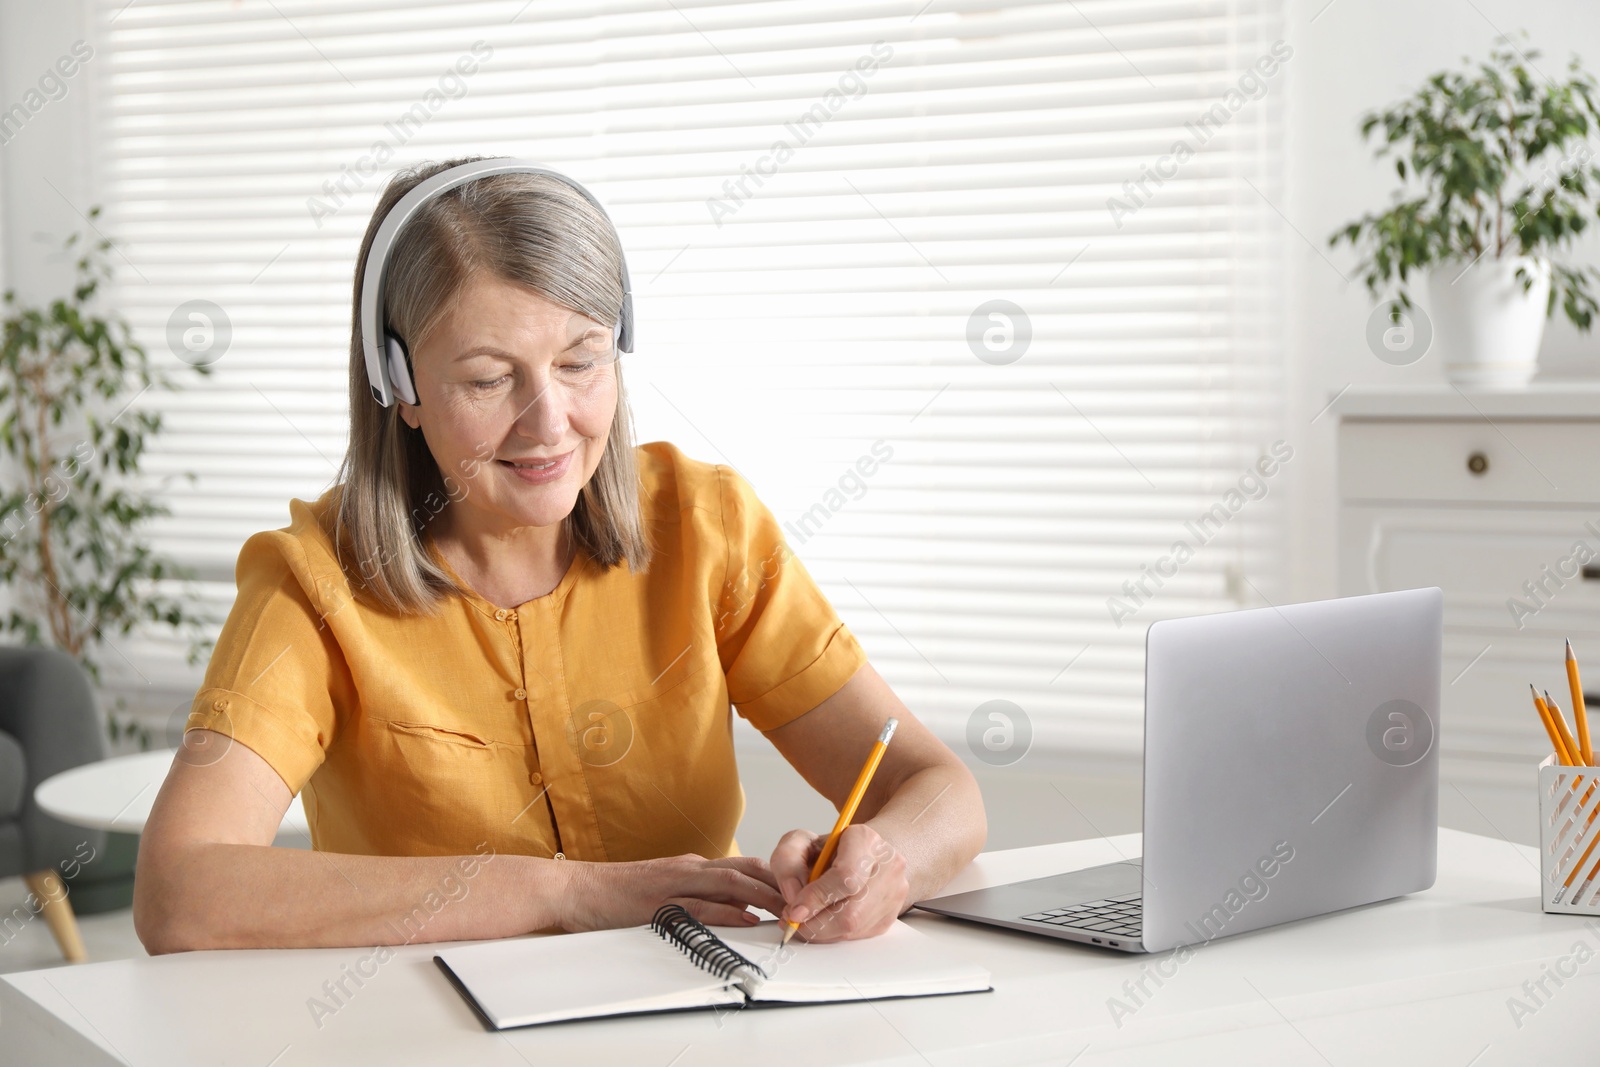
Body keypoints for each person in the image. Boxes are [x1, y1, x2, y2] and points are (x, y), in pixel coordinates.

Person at [133, 157, 985, 953]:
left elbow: (941, 790)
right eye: (488, 378)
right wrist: (561, 893)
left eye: (581, 361)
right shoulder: (314, 582)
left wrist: (882, 861)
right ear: (400, 385)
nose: (551, 423)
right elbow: (179, 891)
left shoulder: (707, 524)